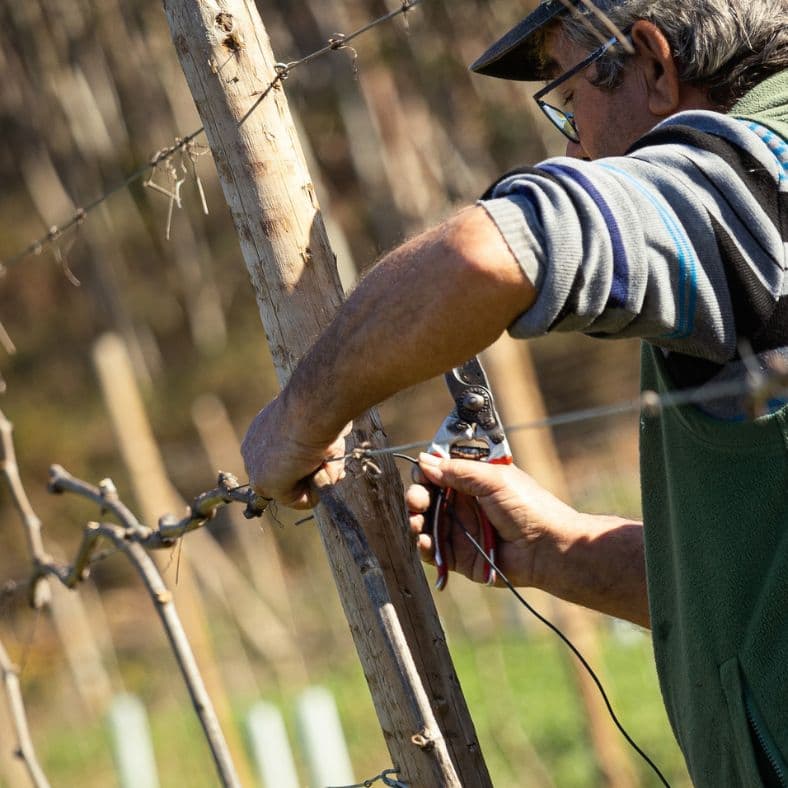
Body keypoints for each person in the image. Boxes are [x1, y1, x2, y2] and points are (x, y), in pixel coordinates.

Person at [241, 0, 788, 784]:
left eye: (570, 103)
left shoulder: (746, 179)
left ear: (655, 64)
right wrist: (556, 549)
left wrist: (297, 418)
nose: (570, 143)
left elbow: (492, 253)